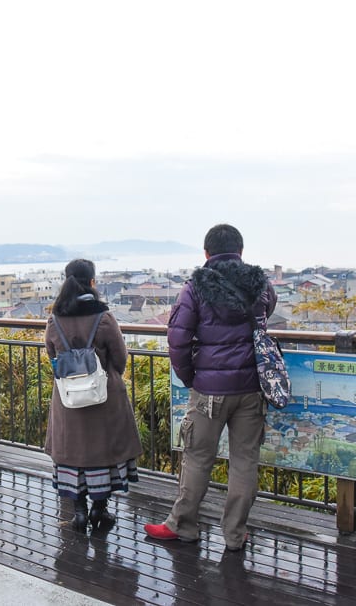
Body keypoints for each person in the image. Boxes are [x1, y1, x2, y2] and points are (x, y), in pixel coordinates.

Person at [144, 224, 277, 551]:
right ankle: (234, 535)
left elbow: (177, 338)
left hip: (209, 390)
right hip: (252, 386)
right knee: (245, 460)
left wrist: (192, 376)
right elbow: (267, 311)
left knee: (198, 457)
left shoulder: (195, 288)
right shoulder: (260, 283)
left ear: (206, 253)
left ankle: (183, 526)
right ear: (240, 252)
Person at [44, 259, 142, 532]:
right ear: (92, 282)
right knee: (104, 451)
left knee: (72, 453)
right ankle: (101, 509)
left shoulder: (55, 320)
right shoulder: (103, 317)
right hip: (104, 397)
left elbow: (52, 356)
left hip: (68, 399)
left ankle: (79, 512)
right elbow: (120, 358)